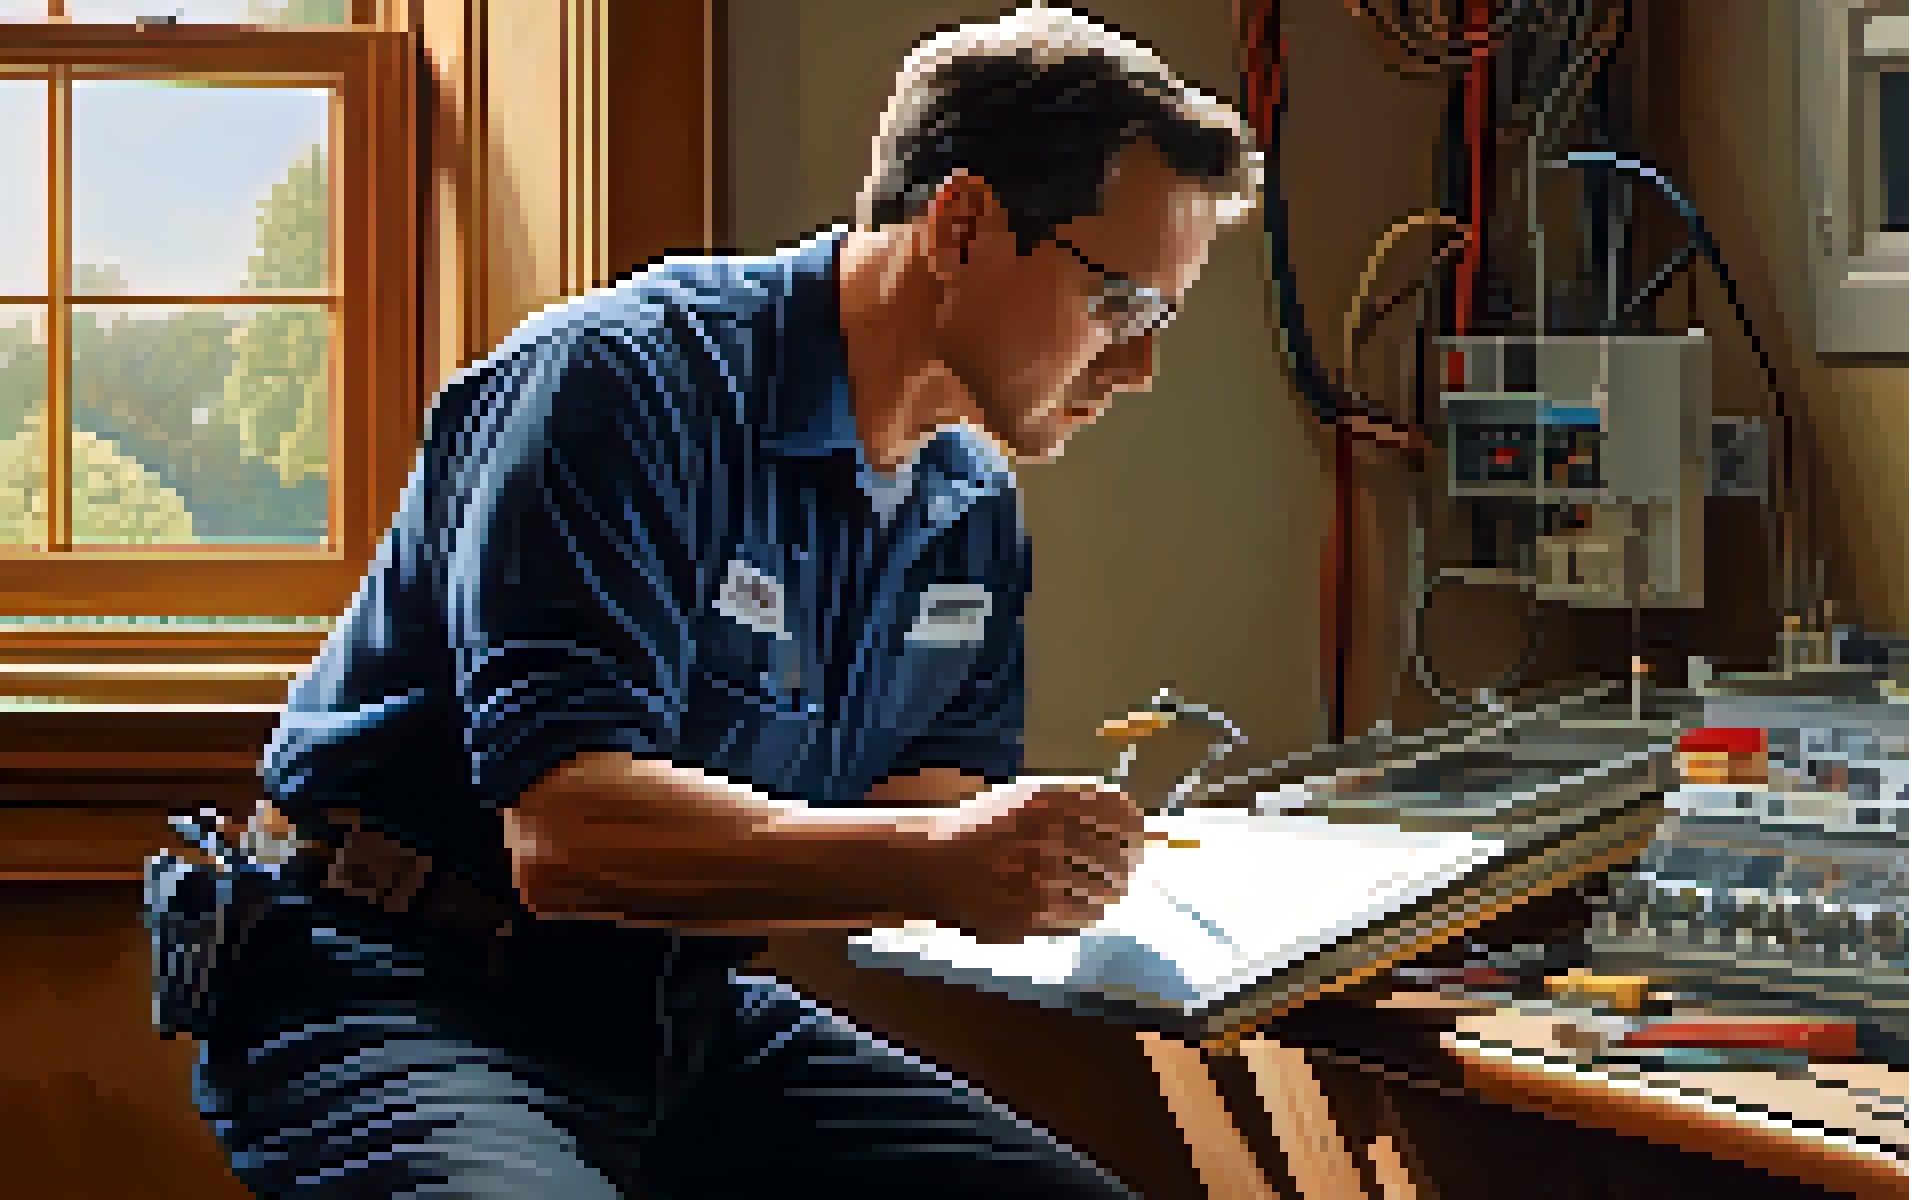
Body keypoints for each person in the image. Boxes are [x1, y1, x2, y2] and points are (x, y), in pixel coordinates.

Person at [168, 6, 1259, 1196]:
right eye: (1124, 306)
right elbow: (567, 839)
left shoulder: (969, 501)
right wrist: (943, 851)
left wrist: (1070, 860)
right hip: (389, 983)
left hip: (674, 1016)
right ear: (960, 224)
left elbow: (919, 809)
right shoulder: (621, 384)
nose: (1141, 365)